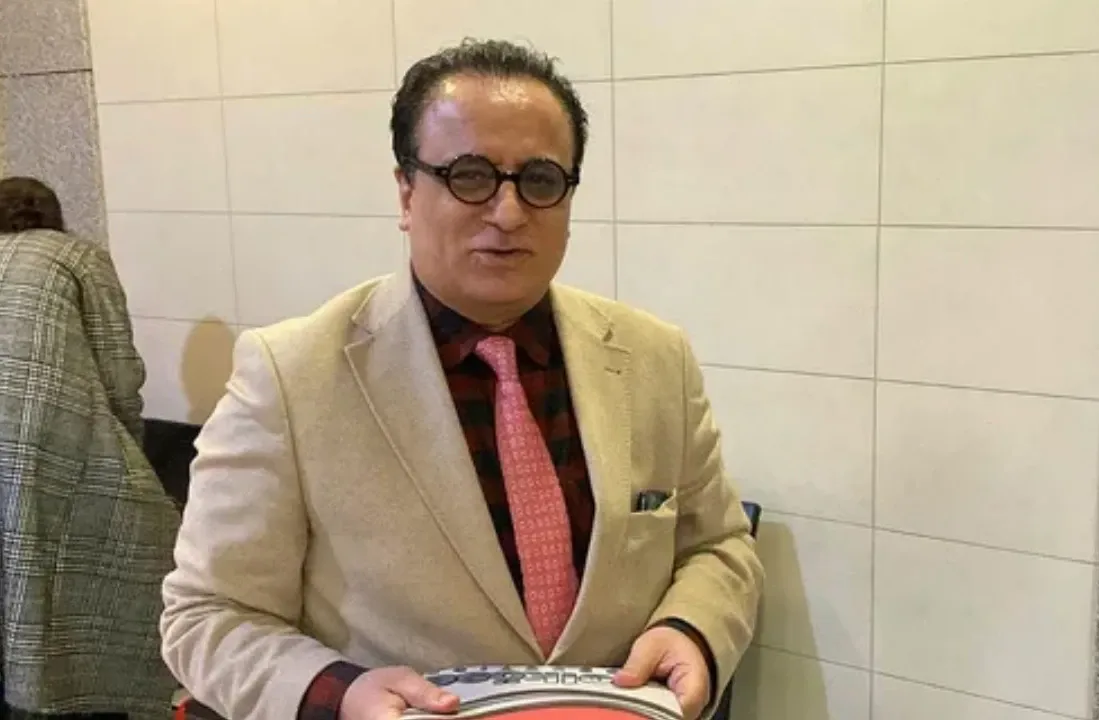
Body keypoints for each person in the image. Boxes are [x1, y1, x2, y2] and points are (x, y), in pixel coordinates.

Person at [159, 39, 763, 720]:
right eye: (470, 176)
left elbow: (717, 547)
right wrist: (339, 692)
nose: (508, 213)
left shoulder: (654, 357)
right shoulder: (291, 375)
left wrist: (690, 630)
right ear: (406, 192)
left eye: (540, 180)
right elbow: (207, 615)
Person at [0, 176, 181, 719]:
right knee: (154, 555)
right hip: (52, 438)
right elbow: (118, 369)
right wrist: (128, 453)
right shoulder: (77, 256)